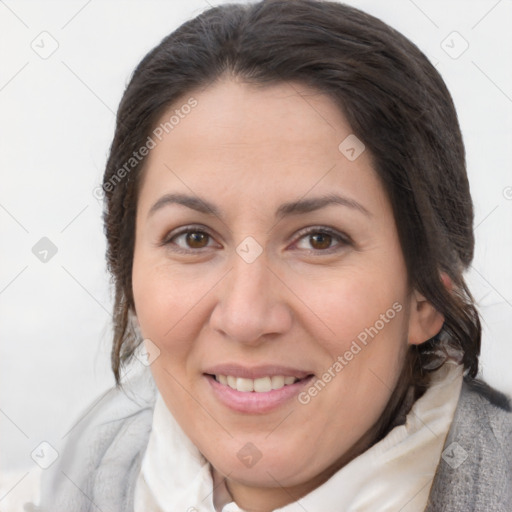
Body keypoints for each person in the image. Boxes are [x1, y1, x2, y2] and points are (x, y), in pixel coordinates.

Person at [36, 0, 512, 510]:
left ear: (426, 296)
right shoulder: (92, 457)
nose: (245, 318)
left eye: (319, 239)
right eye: (194, 238)